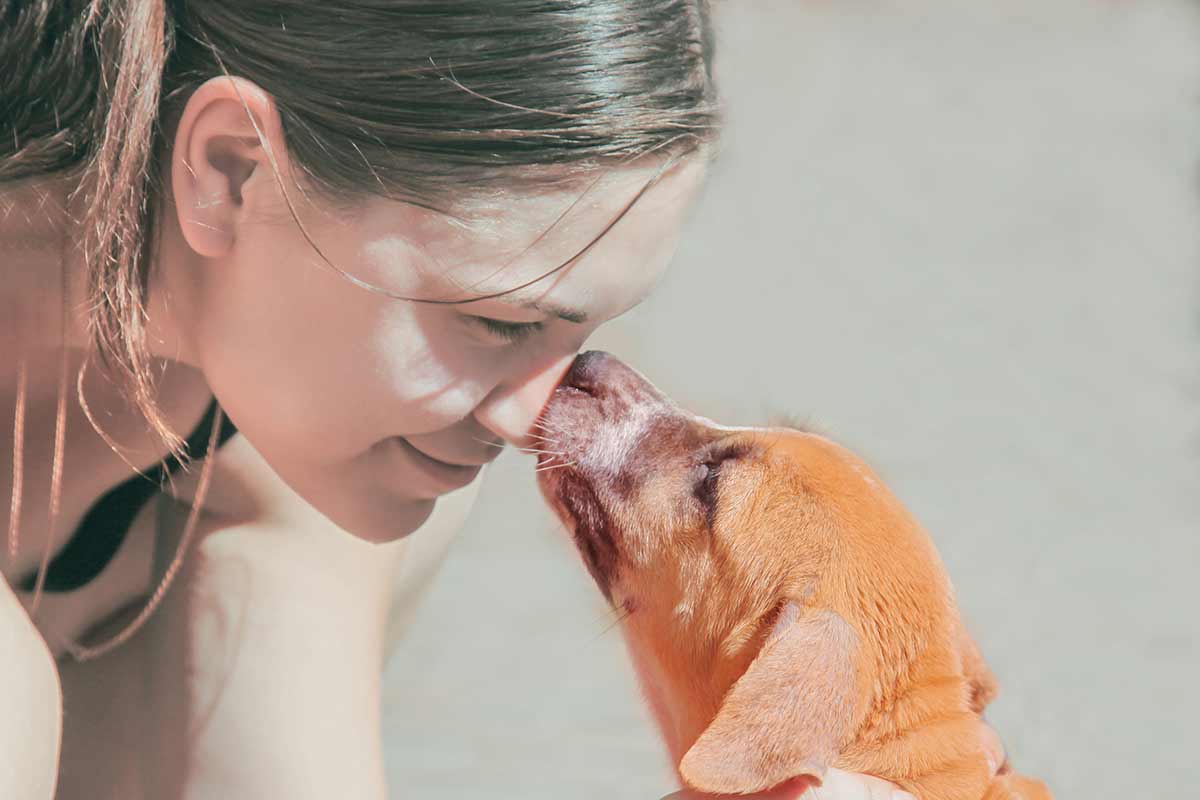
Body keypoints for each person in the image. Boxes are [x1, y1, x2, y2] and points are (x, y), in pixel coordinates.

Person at [1, 2, 979, 798]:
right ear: (231, 171)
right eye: (498, 324)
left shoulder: (291, 459)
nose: (529, 420)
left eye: (578, 333)